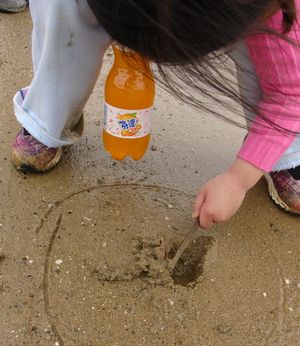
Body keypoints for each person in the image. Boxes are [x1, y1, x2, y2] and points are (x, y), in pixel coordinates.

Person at [10, 0, 300, 229]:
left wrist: (239, 178)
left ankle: (284, 152)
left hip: (248, 12)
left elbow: (289, 95)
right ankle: (48, 114)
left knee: (277, 48)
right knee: (62, 6)